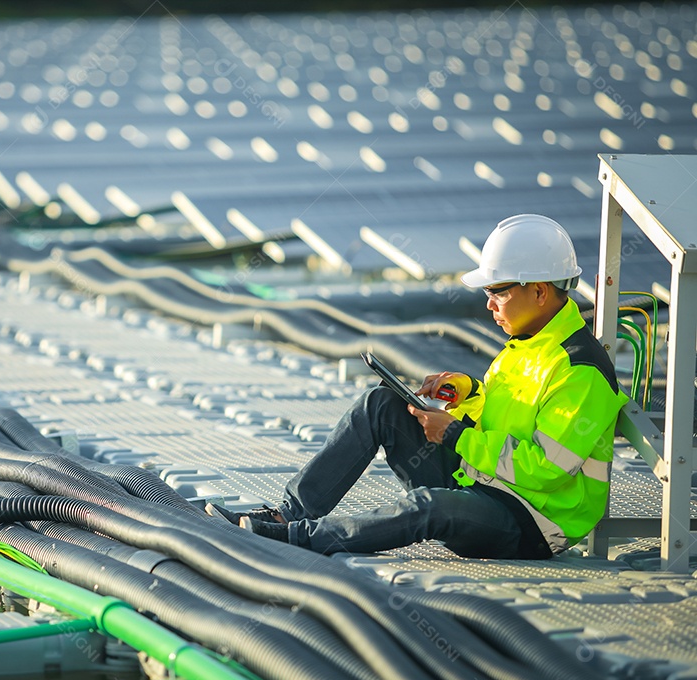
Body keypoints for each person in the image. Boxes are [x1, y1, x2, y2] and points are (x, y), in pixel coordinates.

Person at [206, 214, 629, 559]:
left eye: (497, 292)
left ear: (538, 291)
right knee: (382, 404)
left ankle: (295, 539)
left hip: (529, 521)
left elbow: (547, 469)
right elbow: (507, 417)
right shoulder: (529, 344)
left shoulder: (580, 370)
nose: (488, 305)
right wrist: (466, 394)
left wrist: (453, 433)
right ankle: (287, 515)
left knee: (432, 506)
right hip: (481, 482)